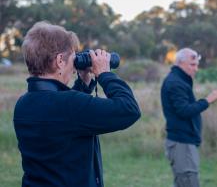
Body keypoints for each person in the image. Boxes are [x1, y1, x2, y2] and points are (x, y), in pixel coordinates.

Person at [13, 21, 141, 187]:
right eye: (73, 59)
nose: (74, 69)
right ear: (60, 60)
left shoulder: (23, 104)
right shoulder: (69, 105)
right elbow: (129, 109)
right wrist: (104, 74)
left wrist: (84, 81)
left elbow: (65, 120)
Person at [161, 48, 217, 187]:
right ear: (180, 63)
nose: (196, 69)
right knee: (188, 182)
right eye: (192, 64)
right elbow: (184, 110)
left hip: (183, 143)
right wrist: (207, 100)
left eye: (197, 65)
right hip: (182, 143)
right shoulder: (176, 82)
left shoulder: (179, 80)